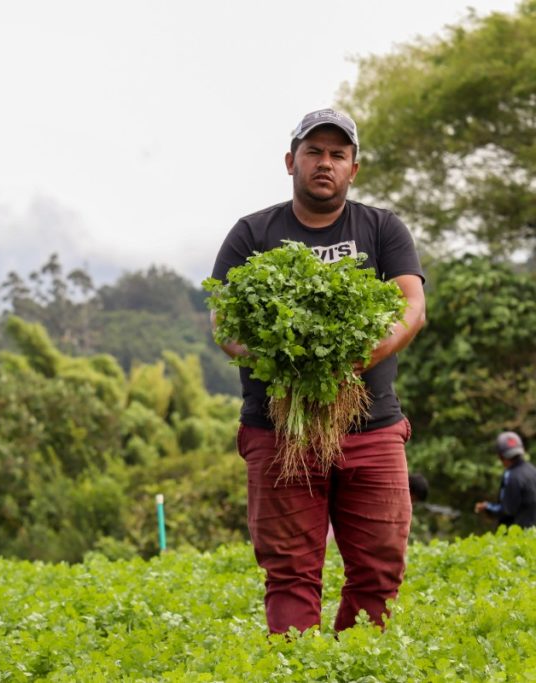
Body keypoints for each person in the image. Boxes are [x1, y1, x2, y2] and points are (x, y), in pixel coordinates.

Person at [210, 108, 427, 635]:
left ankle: (358, 665)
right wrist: (280, 362)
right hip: (278, 429)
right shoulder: (252, 233)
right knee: (290, 573)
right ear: (291, 161)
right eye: (313, 152)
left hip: (371, 428)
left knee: (379, 570)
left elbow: (410, 307)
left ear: (354, 168)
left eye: (337, 154)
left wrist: (357, 358)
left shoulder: (382, 228)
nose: (324, 163)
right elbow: (224, 320)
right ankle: (298, 667)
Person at [474, 431, 536, 529]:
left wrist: (487, 507)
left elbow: (506, 510)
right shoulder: (532, 470)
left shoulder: (512, 476)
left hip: (518, 535)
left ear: (501, 457)